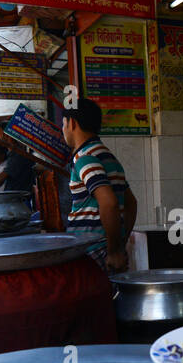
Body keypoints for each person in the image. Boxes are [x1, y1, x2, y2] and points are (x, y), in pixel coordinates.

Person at [62, 98, 137, 273]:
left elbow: (109, 202)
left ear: (72, 123)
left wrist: (114, 250)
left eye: (63, 124)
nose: (63, 130)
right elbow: (131, 202)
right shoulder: (107, 156)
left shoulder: (84, 157)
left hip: (93, 252)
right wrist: (120, 241)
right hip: (104, 248)